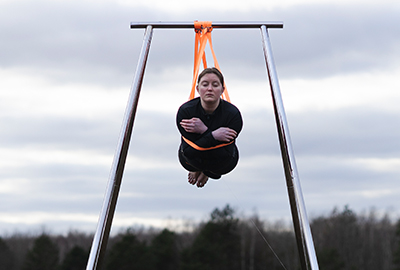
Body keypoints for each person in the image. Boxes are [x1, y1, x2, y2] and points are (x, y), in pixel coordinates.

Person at [176, 67, 243, 188]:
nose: (210, 89)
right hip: (191, 160)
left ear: (222, 90)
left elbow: (225, 155)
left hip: (222, 163)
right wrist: (214, 135)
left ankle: (207, 172)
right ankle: (199, 169)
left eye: (215, 85)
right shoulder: (186, 112)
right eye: (205, 84)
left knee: (221, 158)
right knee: (192, 153)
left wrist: (204, 131)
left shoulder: (233, 114)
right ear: (198, 89)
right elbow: (190, 151)